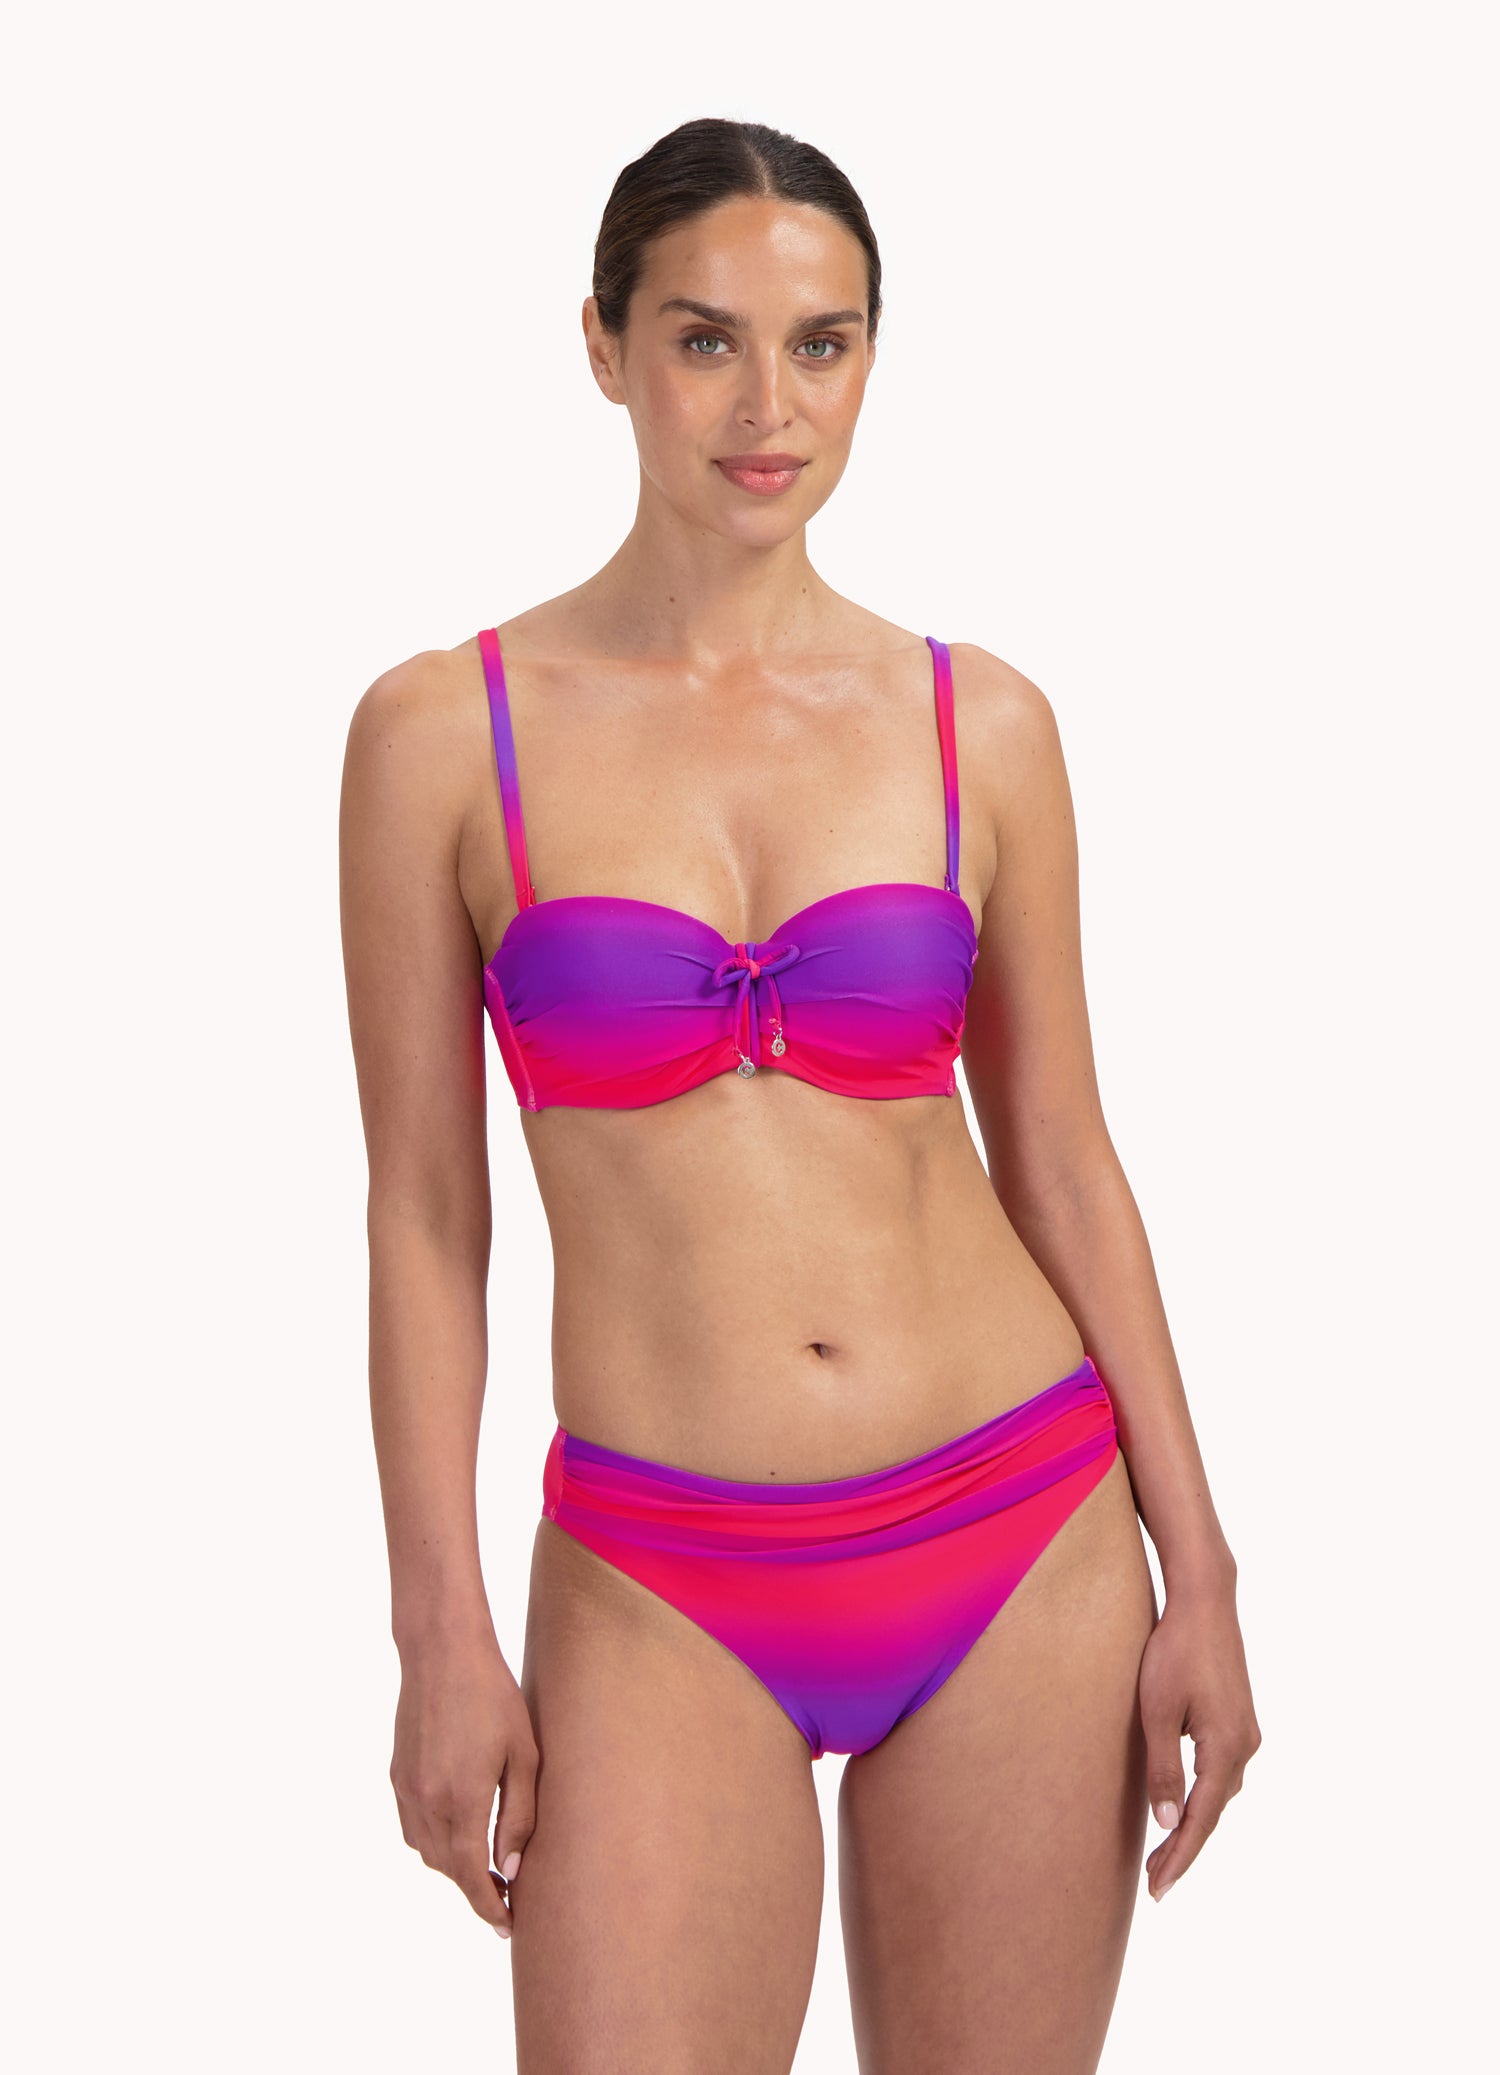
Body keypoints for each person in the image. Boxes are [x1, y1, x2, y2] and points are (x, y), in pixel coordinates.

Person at [339, 115, 1261, 2072]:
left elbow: (1065, 1159)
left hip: (1018, 1524)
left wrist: (1204, 1568)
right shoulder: (442, 736)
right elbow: (424, 1215)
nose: (771, 406)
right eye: (707, 341)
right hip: (658, 1571)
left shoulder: (978, 723)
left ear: (870, 360)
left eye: (821, 345)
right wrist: (438, 1633)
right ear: (603, 347)